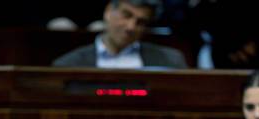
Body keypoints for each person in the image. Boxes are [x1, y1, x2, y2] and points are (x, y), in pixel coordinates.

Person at [52, 0, 188, 69]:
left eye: (140, 22)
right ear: (108, 11)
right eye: (126, 15)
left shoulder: (171, 61)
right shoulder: (69, 64)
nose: (131, 27)